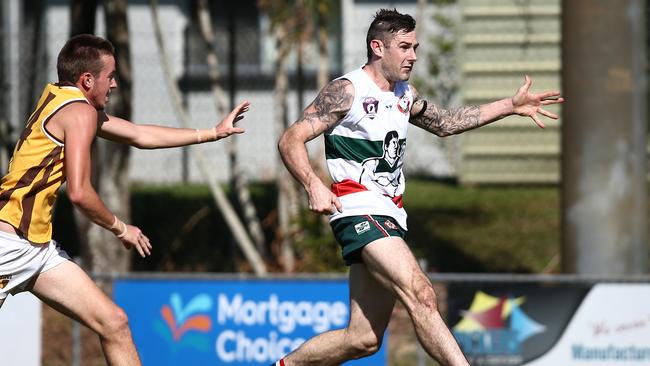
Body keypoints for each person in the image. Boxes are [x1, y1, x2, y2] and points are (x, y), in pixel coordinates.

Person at [274, 8, 563, 366]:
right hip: (358, 209)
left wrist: (509, 105)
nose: (413, 56)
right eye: (405, 47)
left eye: (416, 47)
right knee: (422, 293)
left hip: (390, 212)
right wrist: (313, 185)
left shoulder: (403, 94)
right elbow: (291, 139)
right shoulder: (346, 91)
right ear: (378, 47)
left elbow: (444, 123)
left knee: (363, 339)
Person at [0, 34, 249, 365]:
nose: (114, 84)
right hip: (7, 244)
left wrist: (212, 133)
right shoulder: (80, 112)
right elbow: (80, 192)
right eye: (110, 76)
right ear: (87, 80)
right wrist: (121, 228)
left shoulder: (60, 97)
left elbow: (138, 135)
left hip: (37, 248)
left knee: (114, 324)